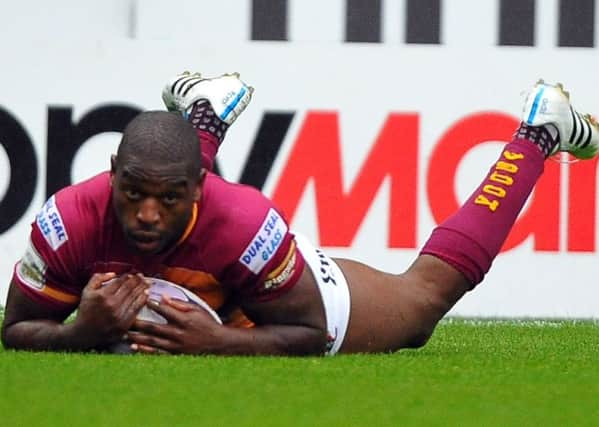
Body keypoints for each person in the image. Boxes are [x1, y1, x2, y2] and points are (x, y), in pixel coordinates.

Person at [1, 73, 597, 356]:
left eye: (169, 199)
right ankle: (206, 115)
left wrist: (216, 343)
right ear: (110, 174)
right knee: (162, 181)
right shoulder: (67, 220)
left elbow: (311, 333)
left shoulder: (245, 224)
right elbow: (14, 330)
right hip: (212, 266)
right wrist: (81, 333)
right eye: (130, 194)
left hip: (265, 300)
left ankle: (538, 133)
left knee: (419, 309)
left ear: (200, 189)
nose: (147, 215)